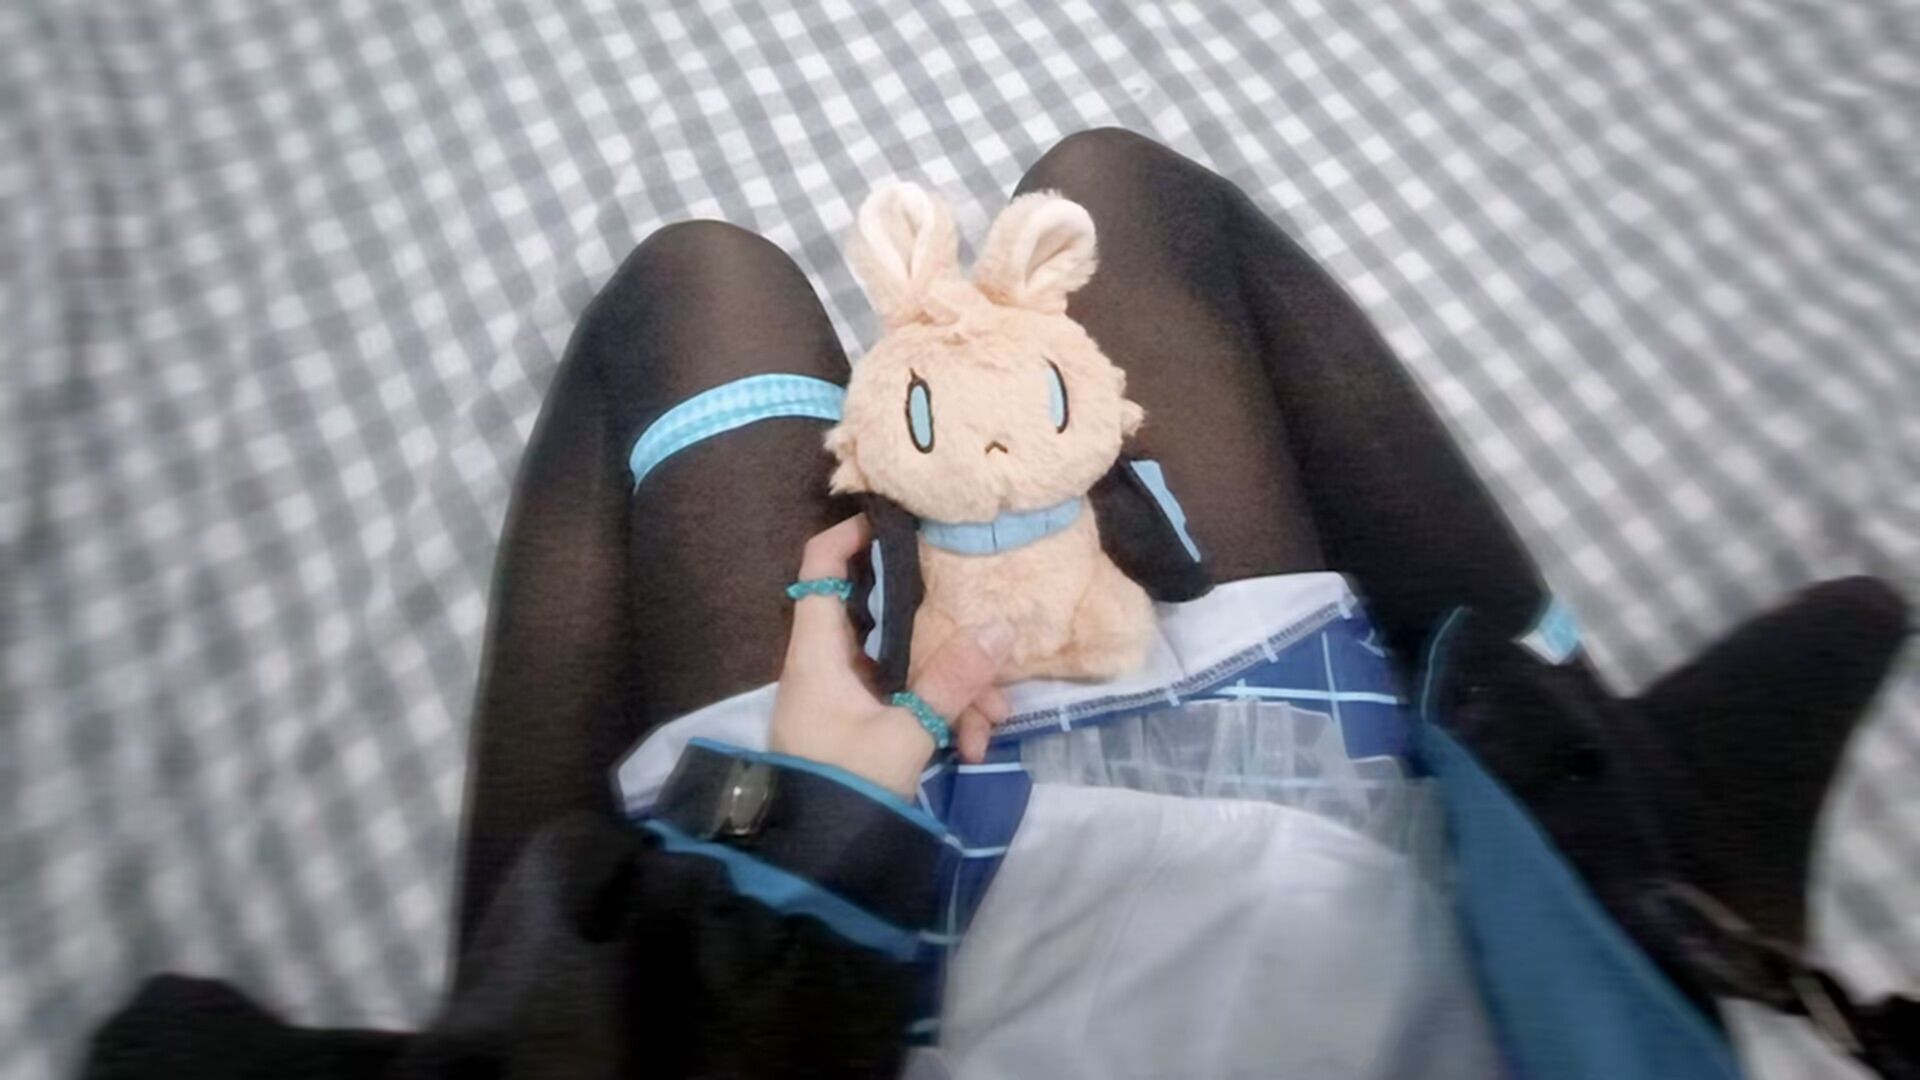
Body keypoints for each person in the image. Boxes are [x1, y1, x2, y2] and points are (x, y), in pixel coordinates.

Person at [85, 130, 1909, 1079]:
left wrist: (797, 857)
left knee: (698, 292)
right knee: (1116, 192)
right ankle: (1624, 790)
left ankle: (528, 973)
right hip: (1350, 877)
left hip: (813, 983)